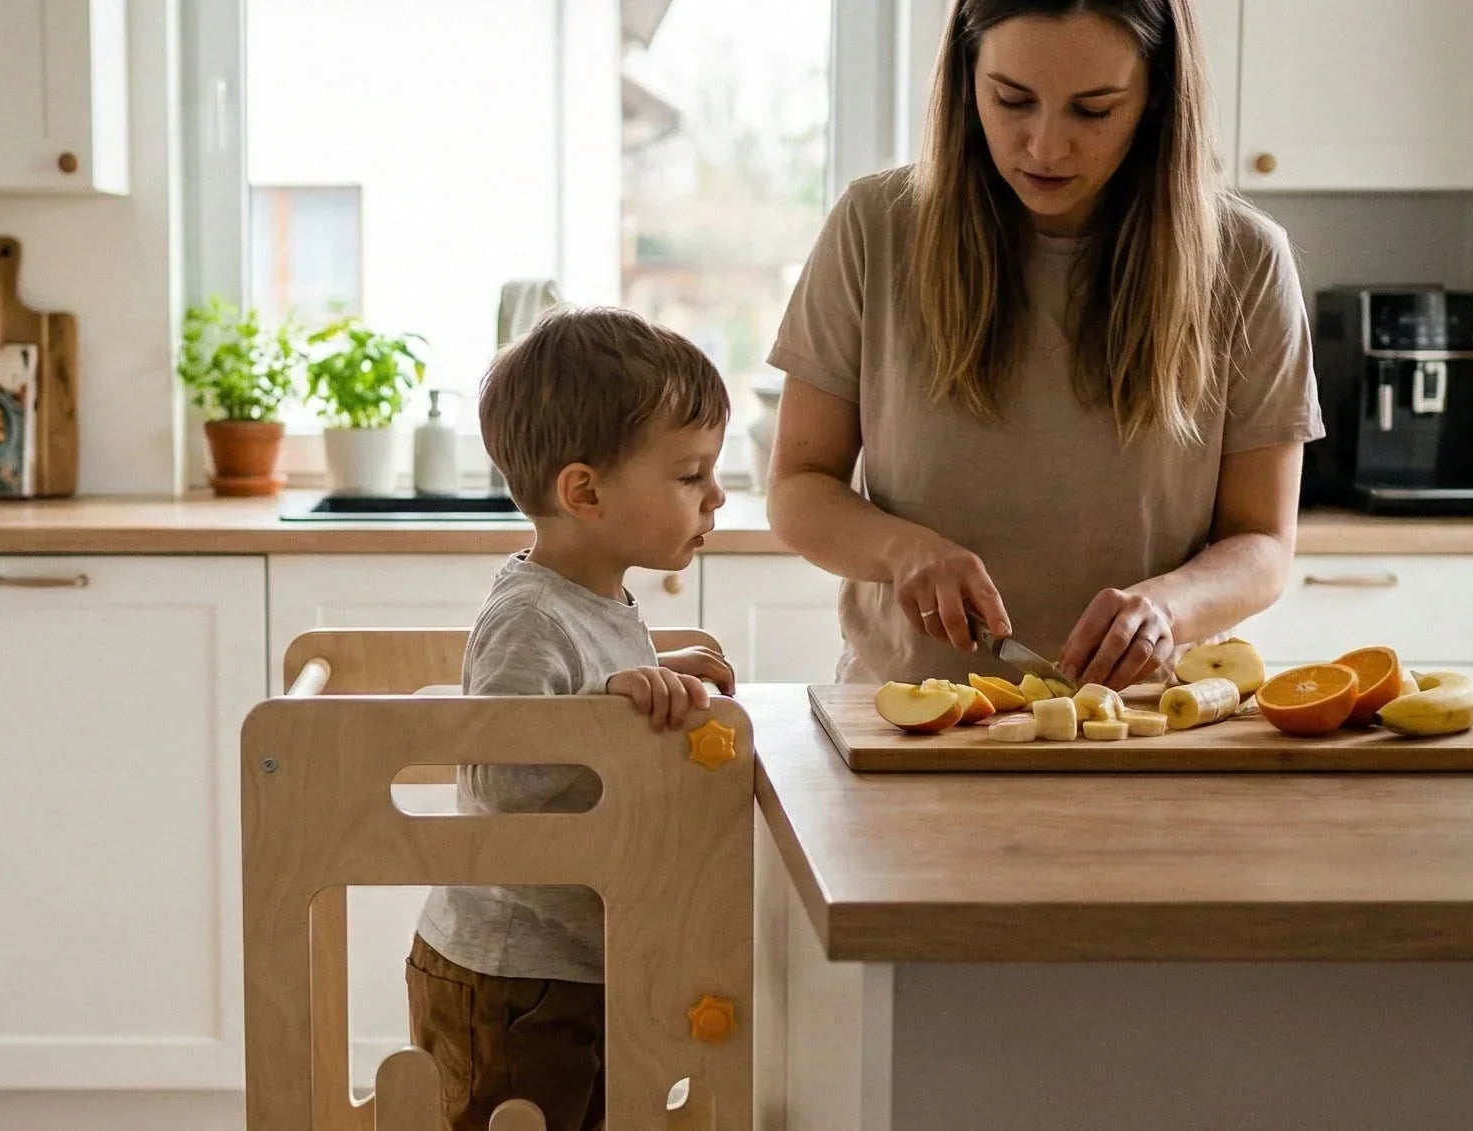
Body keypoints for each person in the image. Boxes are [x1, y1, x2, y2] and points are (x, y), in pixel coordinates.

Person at [766, 0, 1320, 690]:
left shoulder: (1246, 261)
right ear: (969, 83)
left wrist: (1168, 609)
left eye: (1093, 110)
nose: (1046, 146)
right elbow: (797, 487)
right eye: (1012, 100)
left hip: (1143, 726)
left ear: (1155, 100)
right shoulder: (873, 229)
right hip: (906, 719)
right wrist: (901, 551)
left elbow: (1263, 543)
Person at [407, 306, 735, 1130]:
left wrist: (646, 679)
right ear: (584, 491)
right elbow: (504, 777)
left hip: (576, 952)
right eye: (691, 474)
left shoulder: (600, 594)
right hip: (513, 974)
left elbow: (589, 690)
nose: (717, 496)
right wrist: (609, 714)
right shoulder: (530, 615)